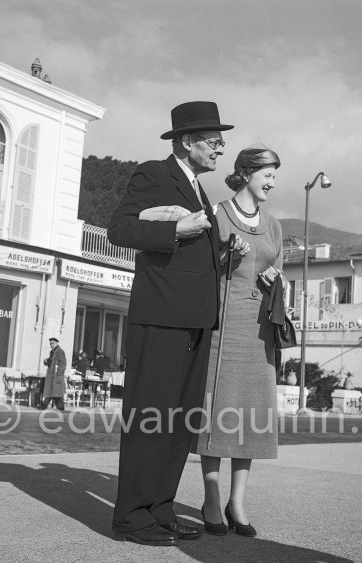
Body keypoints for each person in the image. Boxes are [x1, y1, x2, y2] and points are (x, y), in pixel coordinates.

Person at [107, 101, 235, 547]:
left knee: (180, 420)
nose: (221, 149)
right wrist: (173, 232)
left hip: (196, 319)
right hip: (160, 315)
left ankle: (160, 509)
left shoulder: (199, 189)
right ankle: (131, 517)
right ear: (187, 141)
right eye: (214, 141)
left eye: (222, 142)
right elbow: (119, 229)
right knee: (150, 416)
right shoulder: (154, 174)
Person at [191, 143, 284, 538]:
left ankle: (237, 502)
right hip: (222, 329)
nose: (272, 183)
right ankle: (211, 499)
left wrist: (276, 280)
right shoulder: (217, 214)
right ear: (246, 172)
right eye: (267, 175)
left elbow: (280, 273)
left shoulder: (276, 225)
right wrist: (225, 260)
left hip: (259, 332)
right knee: (217, 412)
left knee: (250, 416)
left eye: (275, 177)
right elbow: (199, 270)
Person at [38, 337, 66, 411]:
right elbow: (51, 362)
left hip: (56, 376)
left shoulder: (60, 352)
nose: (51, 345)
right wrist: (46, 361)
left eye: (52, 343)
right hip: (51, 375)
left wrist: (58, 373)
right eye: (50, 343)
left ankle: (44, 405)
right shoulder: (52, 352)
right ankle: (59, 407)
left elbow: (63, 364)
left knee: (56, 392)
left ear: (57, 343)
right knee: (53, 391)